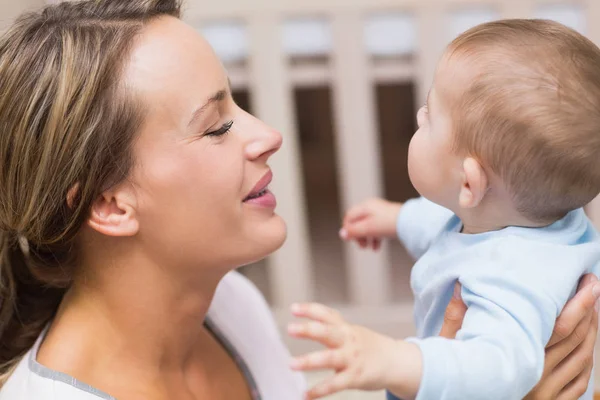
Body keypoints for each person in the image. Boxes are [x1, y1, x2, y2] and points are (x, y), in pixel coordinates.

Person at [0, 2, 595, 399]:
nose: (268, 133)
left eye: (237, 103)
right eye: (215, 126)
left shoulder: (229, 304)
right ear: (110, 205)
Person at [289, 19, 600, 400]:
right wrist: (397, 218)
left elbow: (494, 368)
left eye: (429, 116)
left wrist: (394, 359)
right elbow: (453, 222)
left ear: (469, 183)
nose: (419, 118)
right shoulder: (534, 217)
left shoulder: (512, 277)